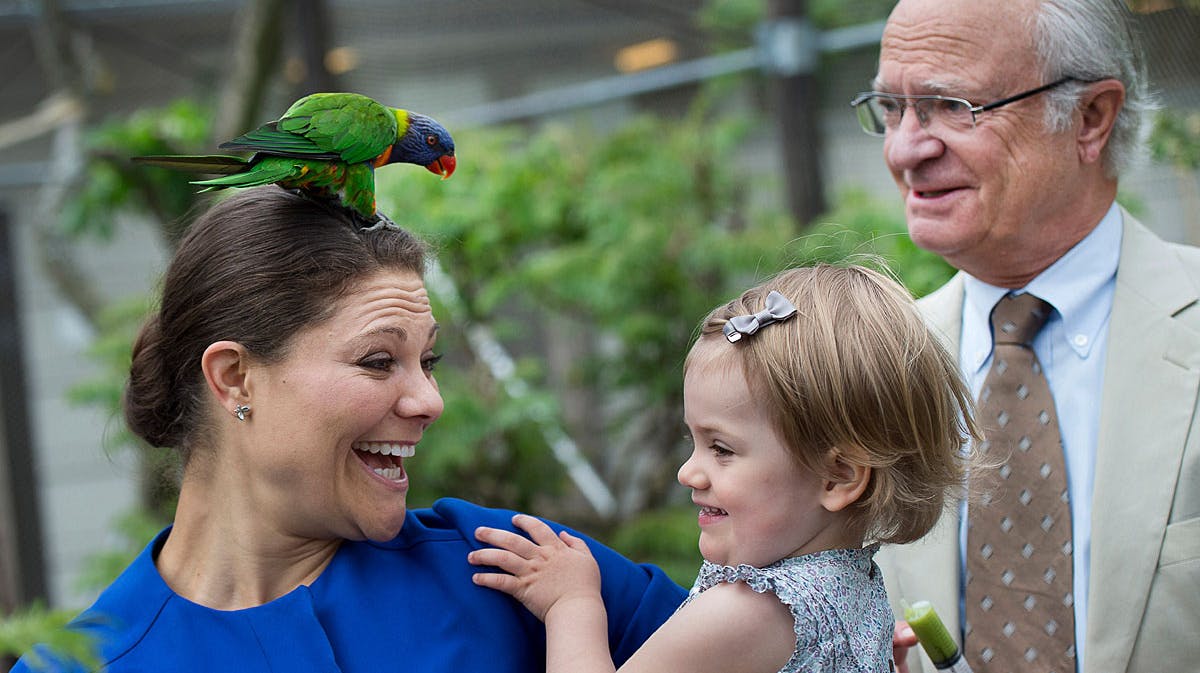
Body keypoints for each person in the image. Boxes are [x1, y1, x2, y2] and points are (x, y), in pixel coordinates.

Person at [12, 186, 686, 672]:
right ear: (234, 379)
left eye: (428, 361)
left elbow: (780, 637)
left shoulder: (516, 569)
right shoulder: (79, 664)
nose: (430, 400)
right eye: (377, 360)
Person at [849, 0, 1200, 671]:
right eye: (891, 107)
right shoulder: (871, 371)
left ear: (1091, 118)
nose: (905, 148)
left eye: (952, 104)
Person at [467, 264, 980, 673]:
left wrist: (572, 604)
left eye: (722, 449)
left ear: (838, 477)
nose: (689, 473)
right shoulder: (856, 578)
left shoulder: (748, 613)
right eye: (695, 442)